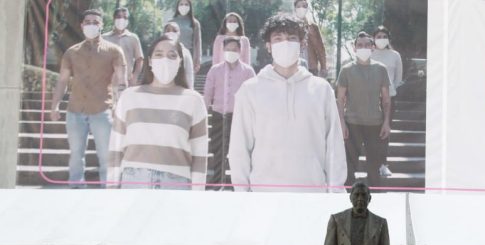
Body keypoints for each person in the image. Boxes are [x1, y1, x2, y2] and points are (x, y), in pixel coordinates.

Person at [229, 13, 346, 192]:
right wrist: (242, 194)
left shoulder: (321, 90)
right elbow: (239, 148)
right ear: (268, 46)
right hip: (264, 196)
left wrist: (334, 192)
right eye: (278, 39)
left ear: (302, 44)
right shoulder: (250, 90)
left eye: (292, 38)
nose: (285, 43)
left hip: (312, 195)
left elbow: (334, 146)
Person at [107, 34, 208, 190]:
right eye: (159, 55)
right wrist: (112, 188)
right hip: (133, 181)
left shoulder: (193, 100)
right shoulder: (129, 97)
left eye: (172, 55)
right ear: (150, 61)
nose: (165, 60)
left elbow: (200, 156)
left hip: (176, 182)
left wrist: (196, 195)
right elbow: (115, 147)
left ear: (180, 62)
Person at [49, 9, 126, 187]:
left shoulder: (114, 51)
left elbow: (121, 82)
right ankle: (76, 188)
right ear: (82, 25)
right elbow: (62, 81)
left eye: (95, 22)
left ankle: (108, 189)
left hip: (102, 109)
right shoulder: (71, 52)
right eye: (88, 22)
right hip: (75, 111)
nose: (92, 25)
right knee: (76, 154)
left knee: (106, 155)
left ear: (101, 25)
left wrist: (120, 106)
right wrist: (55, 105)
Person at [336, 32, 391, 187]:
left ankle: (375, 201)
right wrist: (342, 123)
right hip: (352, 123)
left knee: (374, 168)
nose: (363, 48)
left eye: (367, 45)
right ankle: (347, 200)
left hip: (375, 124)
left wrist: (386, 122)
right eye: (360, 45)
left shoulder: (381, 69)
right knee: (349, 167)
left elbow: (386, 99)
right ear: (354, 48)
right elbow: (340, 99)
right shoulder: (346, 70)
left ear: (372, 48)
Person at [203, 37, 255, 190]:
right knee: (217, 149)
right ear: (223, 51)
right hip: (219, 115)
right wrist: (204, 112)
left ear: (240, 51)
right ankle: (216, 183)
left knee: (237, 152)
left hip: (238, 117)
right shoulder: (215, 70)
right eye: (228, 49)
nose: (231, 52)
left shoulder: (248, 71)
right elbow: (207, 93)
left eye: (234, 49)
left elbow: (252, 94)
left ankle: (234, 184)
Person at [371, 26, 402, 177]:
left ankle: (383, 164)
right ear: (374, 38)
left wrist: (390, 91)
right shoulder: (370, 53)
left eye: (384, 36)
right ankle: (373, 163)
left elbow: (398, 77)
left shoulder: (395, 55)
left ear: (388, 38)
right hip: (370, 98)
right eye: (378, 36)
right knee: (372, 131)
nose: (381, 39)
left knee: (385, 131)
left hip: (389, 97)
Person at [103, 7, 144, 86]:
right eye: (119, 17)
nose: (121, 19)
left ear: (128, 20)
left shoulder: (133, 38)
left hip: (127, 82)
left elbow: (139, 59)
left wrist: (135, 77)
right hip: (107, 82)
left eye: (125, 17)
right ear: (114, 18)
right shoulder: (104, 38)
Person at [293, 1, 326, 77]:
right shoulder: (290, 27)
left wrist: (323, 67)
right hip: (294, 67)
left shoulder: (313, 27)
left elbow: (320, 48)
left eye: (304, 6)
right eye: (299, 6)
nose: (301, 8)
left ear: (307, 8)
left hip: (311, 67)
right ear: (295, 9)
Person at [169, 0, 201, 73]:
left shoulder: (195, 23)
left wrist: (198, 60)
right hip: (174, 53)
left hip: (189, 54)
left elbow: (197, 42)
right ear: (177, 6)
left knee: (188, 80)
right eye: (181, 4)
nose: (184, 6)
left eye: (186, 4)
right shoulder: (171, 22)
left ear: (190, 7)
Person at [163, 22, 195, 90]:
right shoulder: (158, 51)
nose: (171, 33)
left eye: (174, 31)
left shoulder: (185, 52)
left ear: (179, 33)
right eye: (168, 30)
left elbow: (189, 74)